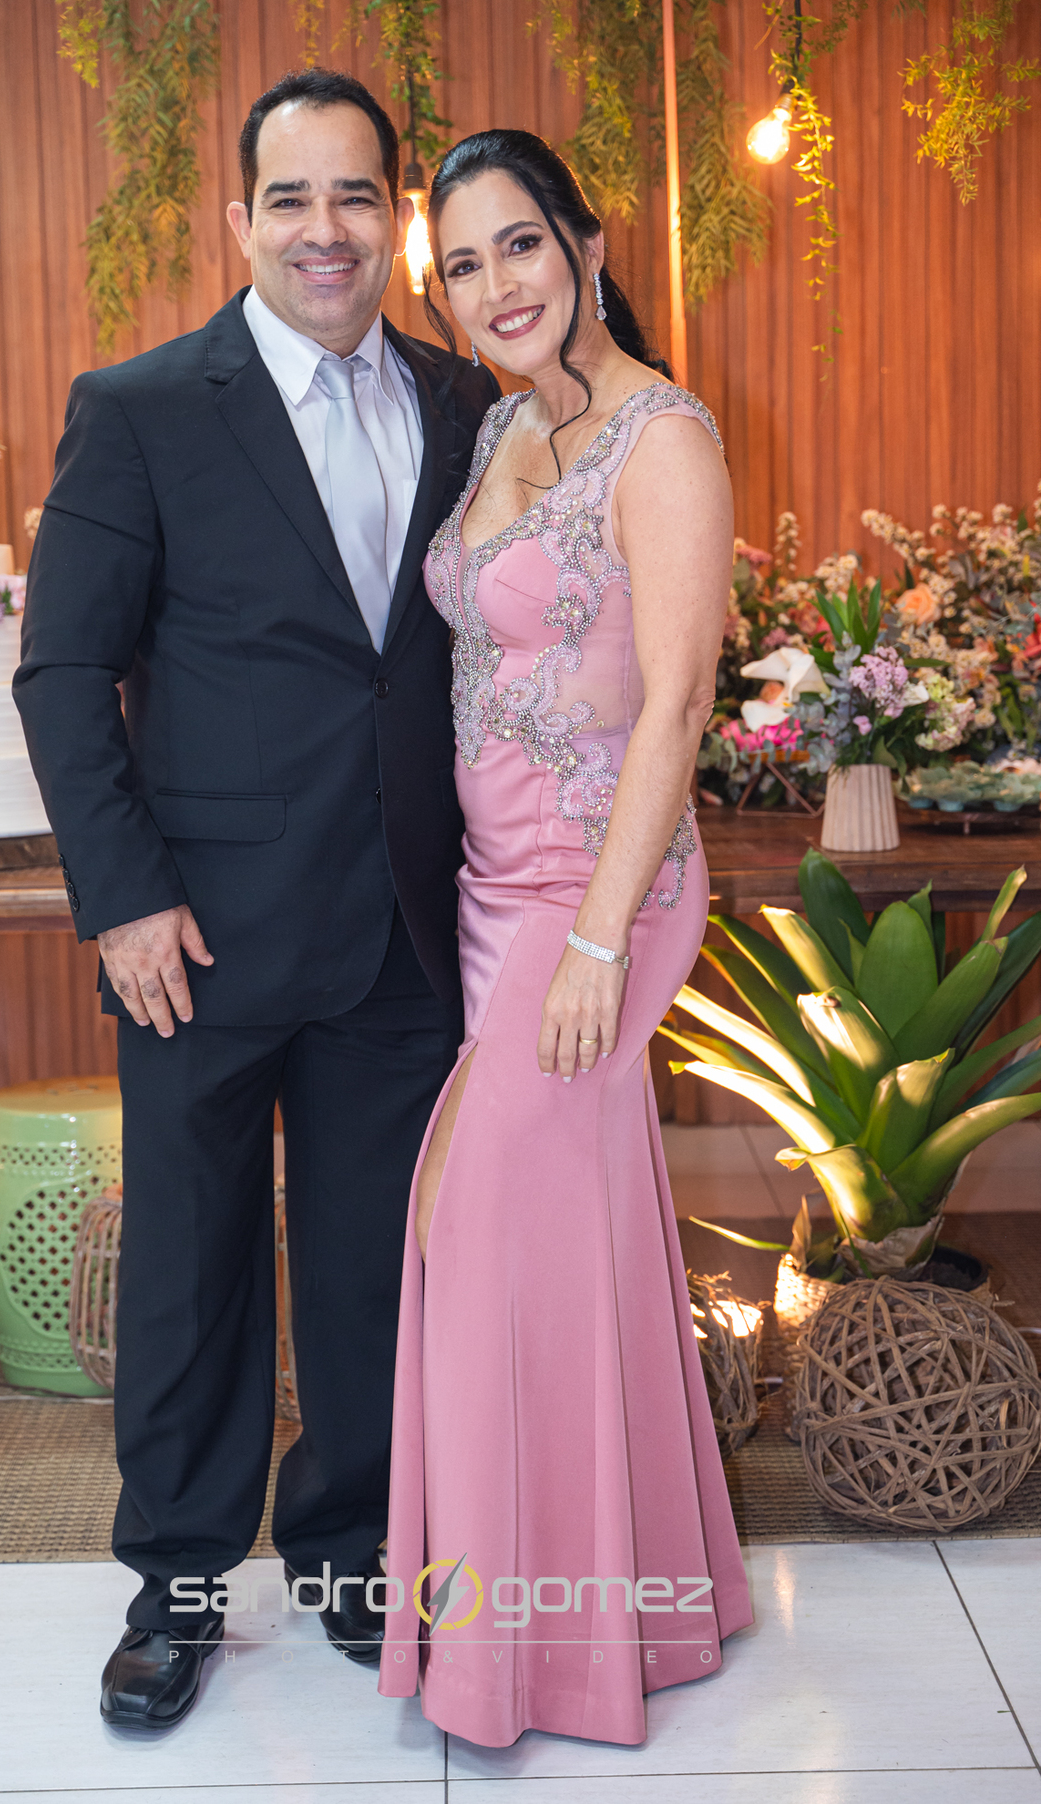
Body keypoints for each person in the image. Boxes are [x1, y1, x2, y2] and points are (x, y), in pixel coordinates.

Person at [14, 70, 498, 1731]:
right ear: (240, 220)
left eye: (356, 195)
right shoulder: (143, 406)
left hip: (402, 928)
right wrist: (123, 901)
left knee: (372, 1269)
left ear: (396, 220)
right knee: (193, 1271)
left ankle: (356, 1555)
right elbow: (64, 670)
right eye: (291, 198)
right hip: (196, 936)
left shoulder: (463, 401)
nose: (324, 229)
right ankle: (179, 1587)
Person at [376, 129, 754, 1748]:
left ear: (588, 247)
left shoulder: (662, 436)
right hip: (490, 898)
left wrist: (598, 943)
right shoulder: (506, 427)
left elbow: (679, 700)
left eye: (519, 245)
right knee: (564, 1241)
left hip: (599, 901)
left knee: (464, 1234)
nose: (496, 286)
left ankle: (509, 1654)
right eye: (462, 266)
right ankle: (642, 1611)